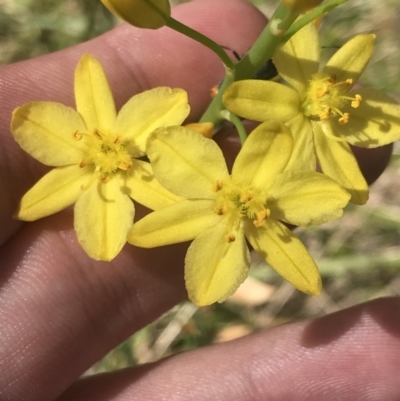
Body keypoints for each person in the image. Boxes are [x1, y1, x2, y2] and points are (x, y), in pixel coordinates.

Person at [0, 1, 399, 400]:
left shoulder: (277, 146)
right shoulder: (210, 158)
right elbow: (182, 140)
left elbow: (291, 166)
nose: (328, 99)